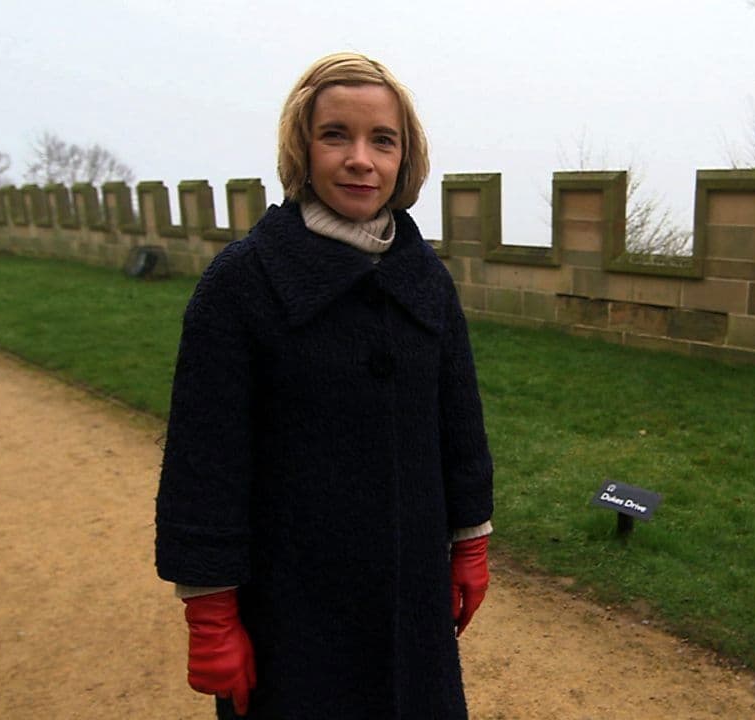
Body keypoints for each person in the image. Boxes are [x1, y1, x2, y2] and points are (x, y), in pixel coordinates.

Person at [155, 52, 494, 719]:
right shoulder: (241, 285)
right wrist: (212, 612)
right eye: (335, 134)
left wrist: (471, 541)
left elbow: (459, 422)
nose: (360, 158)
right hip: (292, 614)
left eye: (383, 140)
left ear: (406, 158)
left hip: (412, 602)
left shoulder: (424, 277)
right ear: (301, 149)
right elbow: (206, 457)